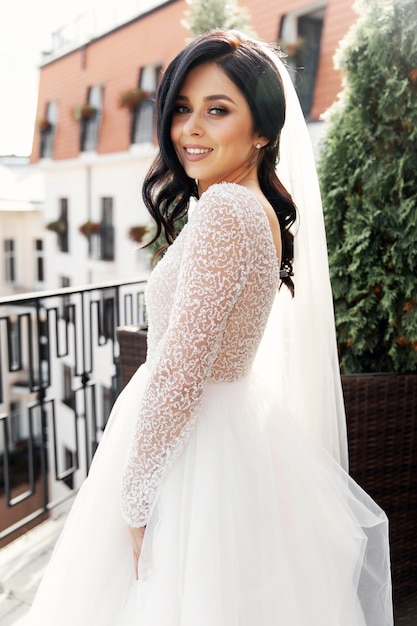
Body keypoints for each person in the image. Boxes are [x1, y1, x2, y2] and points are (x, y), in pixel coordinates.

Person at [26, 30, 393, 625]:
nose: (190, 128)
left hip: (190, 448)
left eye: (217, 110)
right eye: (181, 109)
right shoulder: (255, 206)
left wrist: (138, 495)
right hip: (233, 433)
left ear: (262, 131)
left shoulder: (225, 211)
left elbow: (181, 362)